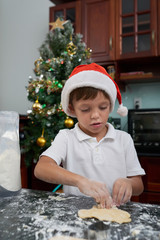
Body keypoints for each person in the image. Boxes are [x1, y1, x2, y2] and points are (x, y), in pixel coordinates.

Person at [34, 63, 145, 208]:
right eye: (85, 109)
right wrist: (80, 181)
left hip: (116, 213)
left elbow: (139, 185)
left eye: (103, 107)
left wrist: (129, 183)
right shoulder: (67, 137)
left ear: (110, 106)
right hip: (75, 214)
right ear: (72, 109)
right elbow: (41, 168)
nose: (95, 115)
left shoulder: (124, 139)